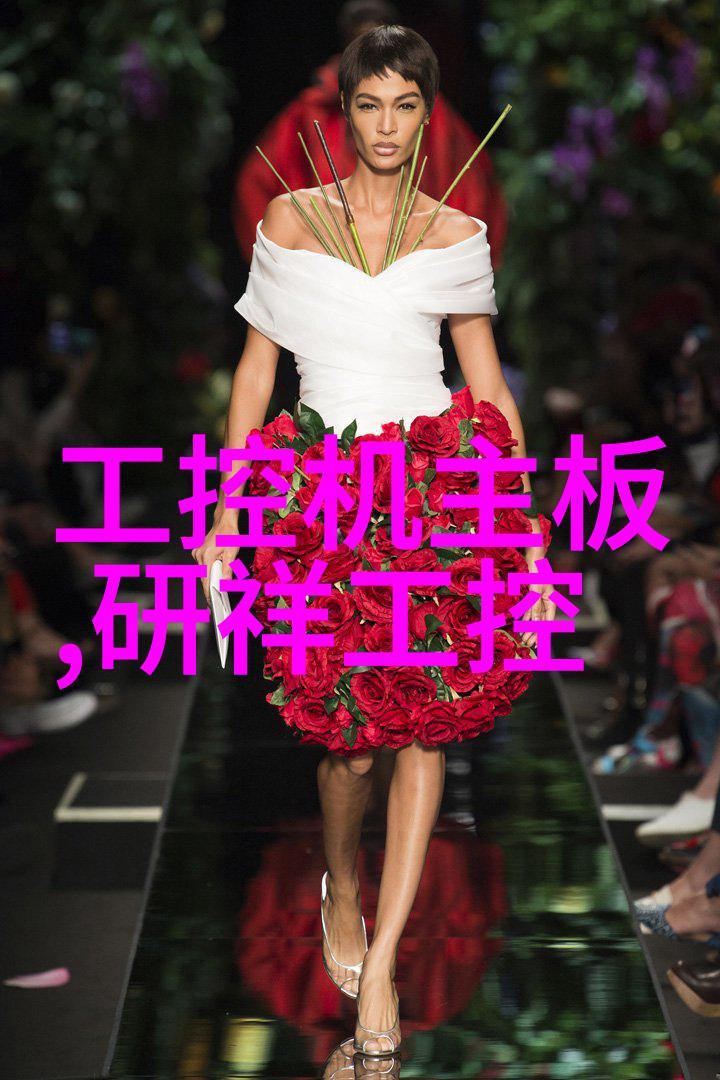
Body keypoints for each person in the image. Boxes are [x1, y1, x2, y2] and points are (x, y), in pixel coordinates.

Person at [194, 25, 554, 1060]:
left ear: (428, 115)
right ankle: (339, 881)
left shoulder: (456, 233)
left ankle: (385, 964)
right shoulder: (290, 220)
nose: (387, 125)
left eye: (405, 106)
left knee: (425, 730)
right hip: (321, 499)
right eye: (369, 105)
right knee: (348, 744)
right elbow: (257, 373)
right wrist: (228, 510)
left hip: (436, 490)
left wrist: (525, 526)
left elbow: (487, 385)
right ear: (343, 112)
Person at [232, 1, 508, 267]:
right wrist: (291, 259)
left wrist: (449, 253)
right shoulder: (311, 109)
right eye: (363, 46)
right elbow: (257, 182)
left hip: (416, 253)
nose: (386, 125)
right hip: (325, 256)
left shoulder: (433, 114)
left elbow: (471, 185)